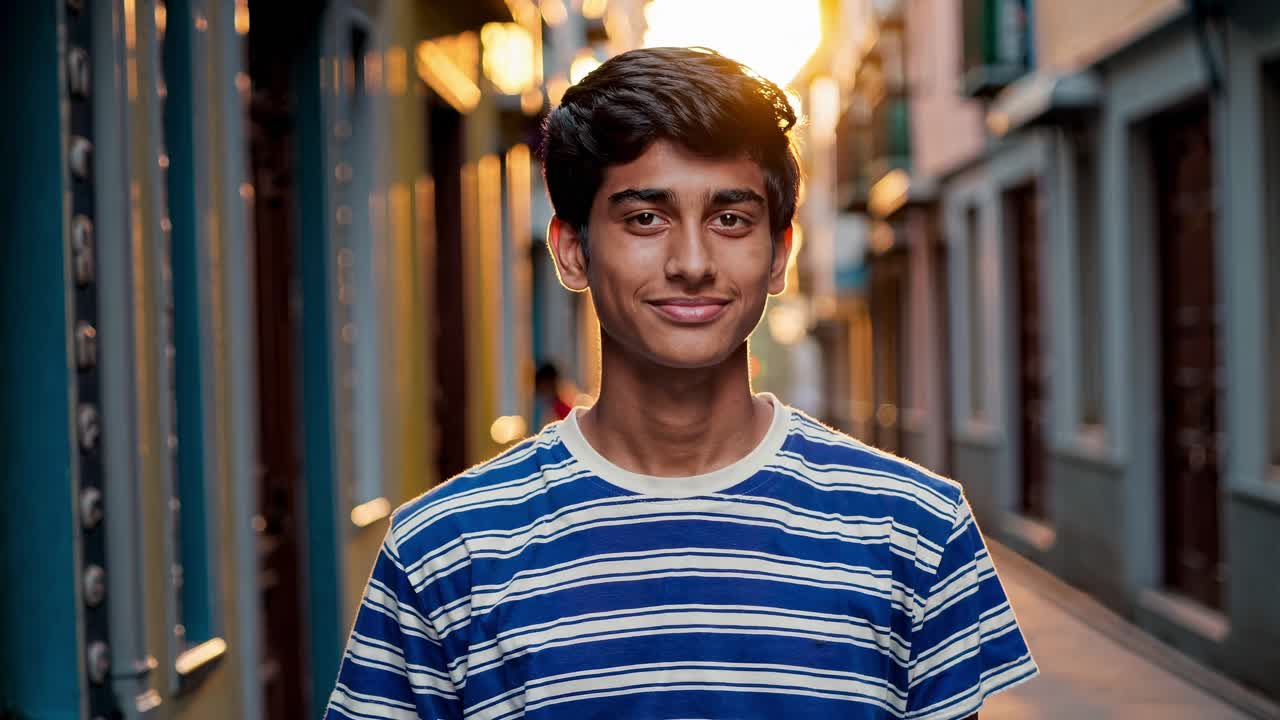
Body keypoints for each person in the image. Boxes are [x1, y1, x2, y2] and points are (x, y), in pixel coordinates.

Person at [325, 47, 1036, 720]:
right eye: (645, 217)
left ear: (779, 253)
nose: (692, 261)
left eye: (730, 218)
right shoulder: (443, 549)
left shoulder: (915, 528)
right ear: (573, 252)